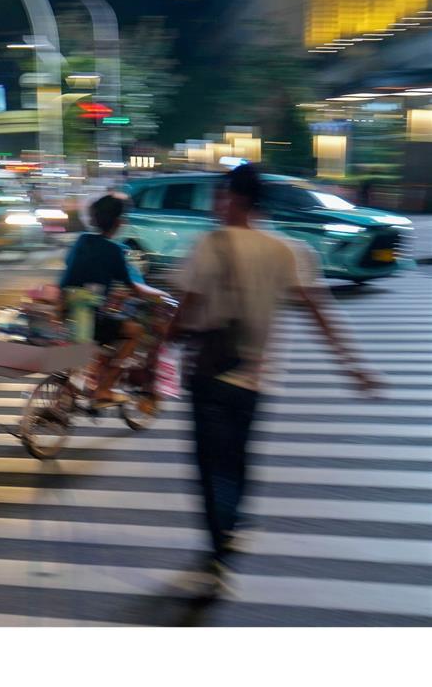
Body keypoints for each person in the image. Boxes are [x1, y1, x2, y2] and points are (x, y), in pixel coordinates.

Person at [166, 164, 380, 593]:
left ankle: (219, 549)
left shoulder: (209, 245)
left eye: (222, 196)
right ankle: (232, 526)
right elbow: (320, 313)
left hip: (209, 375)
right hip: (255, 379)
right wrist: (351, 365)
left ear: (237, 199)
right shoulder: (288, 251)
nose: (216, 204)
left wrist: (162, 343)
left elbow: (186, 310)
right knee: (238, 460)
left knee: (211, 468)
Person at [59, 193, 169, 406]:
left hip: (68, 312)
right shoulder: (113, 250)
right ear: (118, 222)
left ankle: (72, 391)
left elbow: (72, 272)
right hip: (90, 319)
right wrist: (161, 295)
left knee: (102, 332)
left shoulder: (81, 241)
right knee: (133, 332)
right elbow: (134, 287)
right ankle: (105, 388)